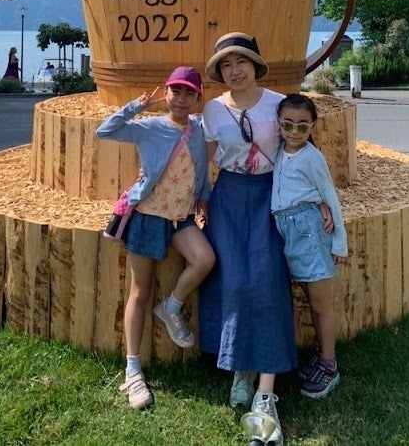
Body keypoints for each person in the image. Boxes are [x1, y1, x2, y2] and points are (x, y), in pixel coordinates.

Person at [200, 32, 332, 446]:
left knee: (268, 282)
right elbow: (204, 161)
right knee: (235, 283)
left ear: (255, 65)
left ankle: (265, 394)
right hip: (228, 199)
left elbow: (302, 149)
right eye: (225, 64)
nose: (234, 70)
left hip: (271, 199)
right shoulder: (212, 109)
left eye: (241, 61)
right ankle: (241, 365)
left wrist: (320, 200)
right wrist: (196, 199)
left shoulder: (278, 104)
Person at [95, 66, 215, 411]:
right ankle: (133, 369)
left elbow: (201, 169)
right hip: (148, 217)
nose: (181, 99)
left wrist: (203, 197)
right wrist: (137, 106)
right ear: (166, 93)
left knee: (205, 259)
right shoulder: (150, 128)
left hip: (181, 219)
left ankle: (172, 307)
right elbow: (105, 131)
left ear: (198, 98)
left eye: (189, 93)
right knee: (140, 290)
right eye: (176, 91)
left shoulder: (198, 129)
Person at [272, 93, 348, 400]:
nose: (294, 132)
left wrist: (339, 242)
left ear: (312, 126)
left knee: (319, 303)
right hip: (287, 229)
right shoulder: (278, 150)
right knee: (307, 294)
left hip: (308, 231)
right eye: (287, 124)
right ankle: (321, 355)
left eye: (302, 126)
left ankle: (329, 366)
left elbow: (329, 195)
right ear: (278, 123)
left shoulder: (312, 157)